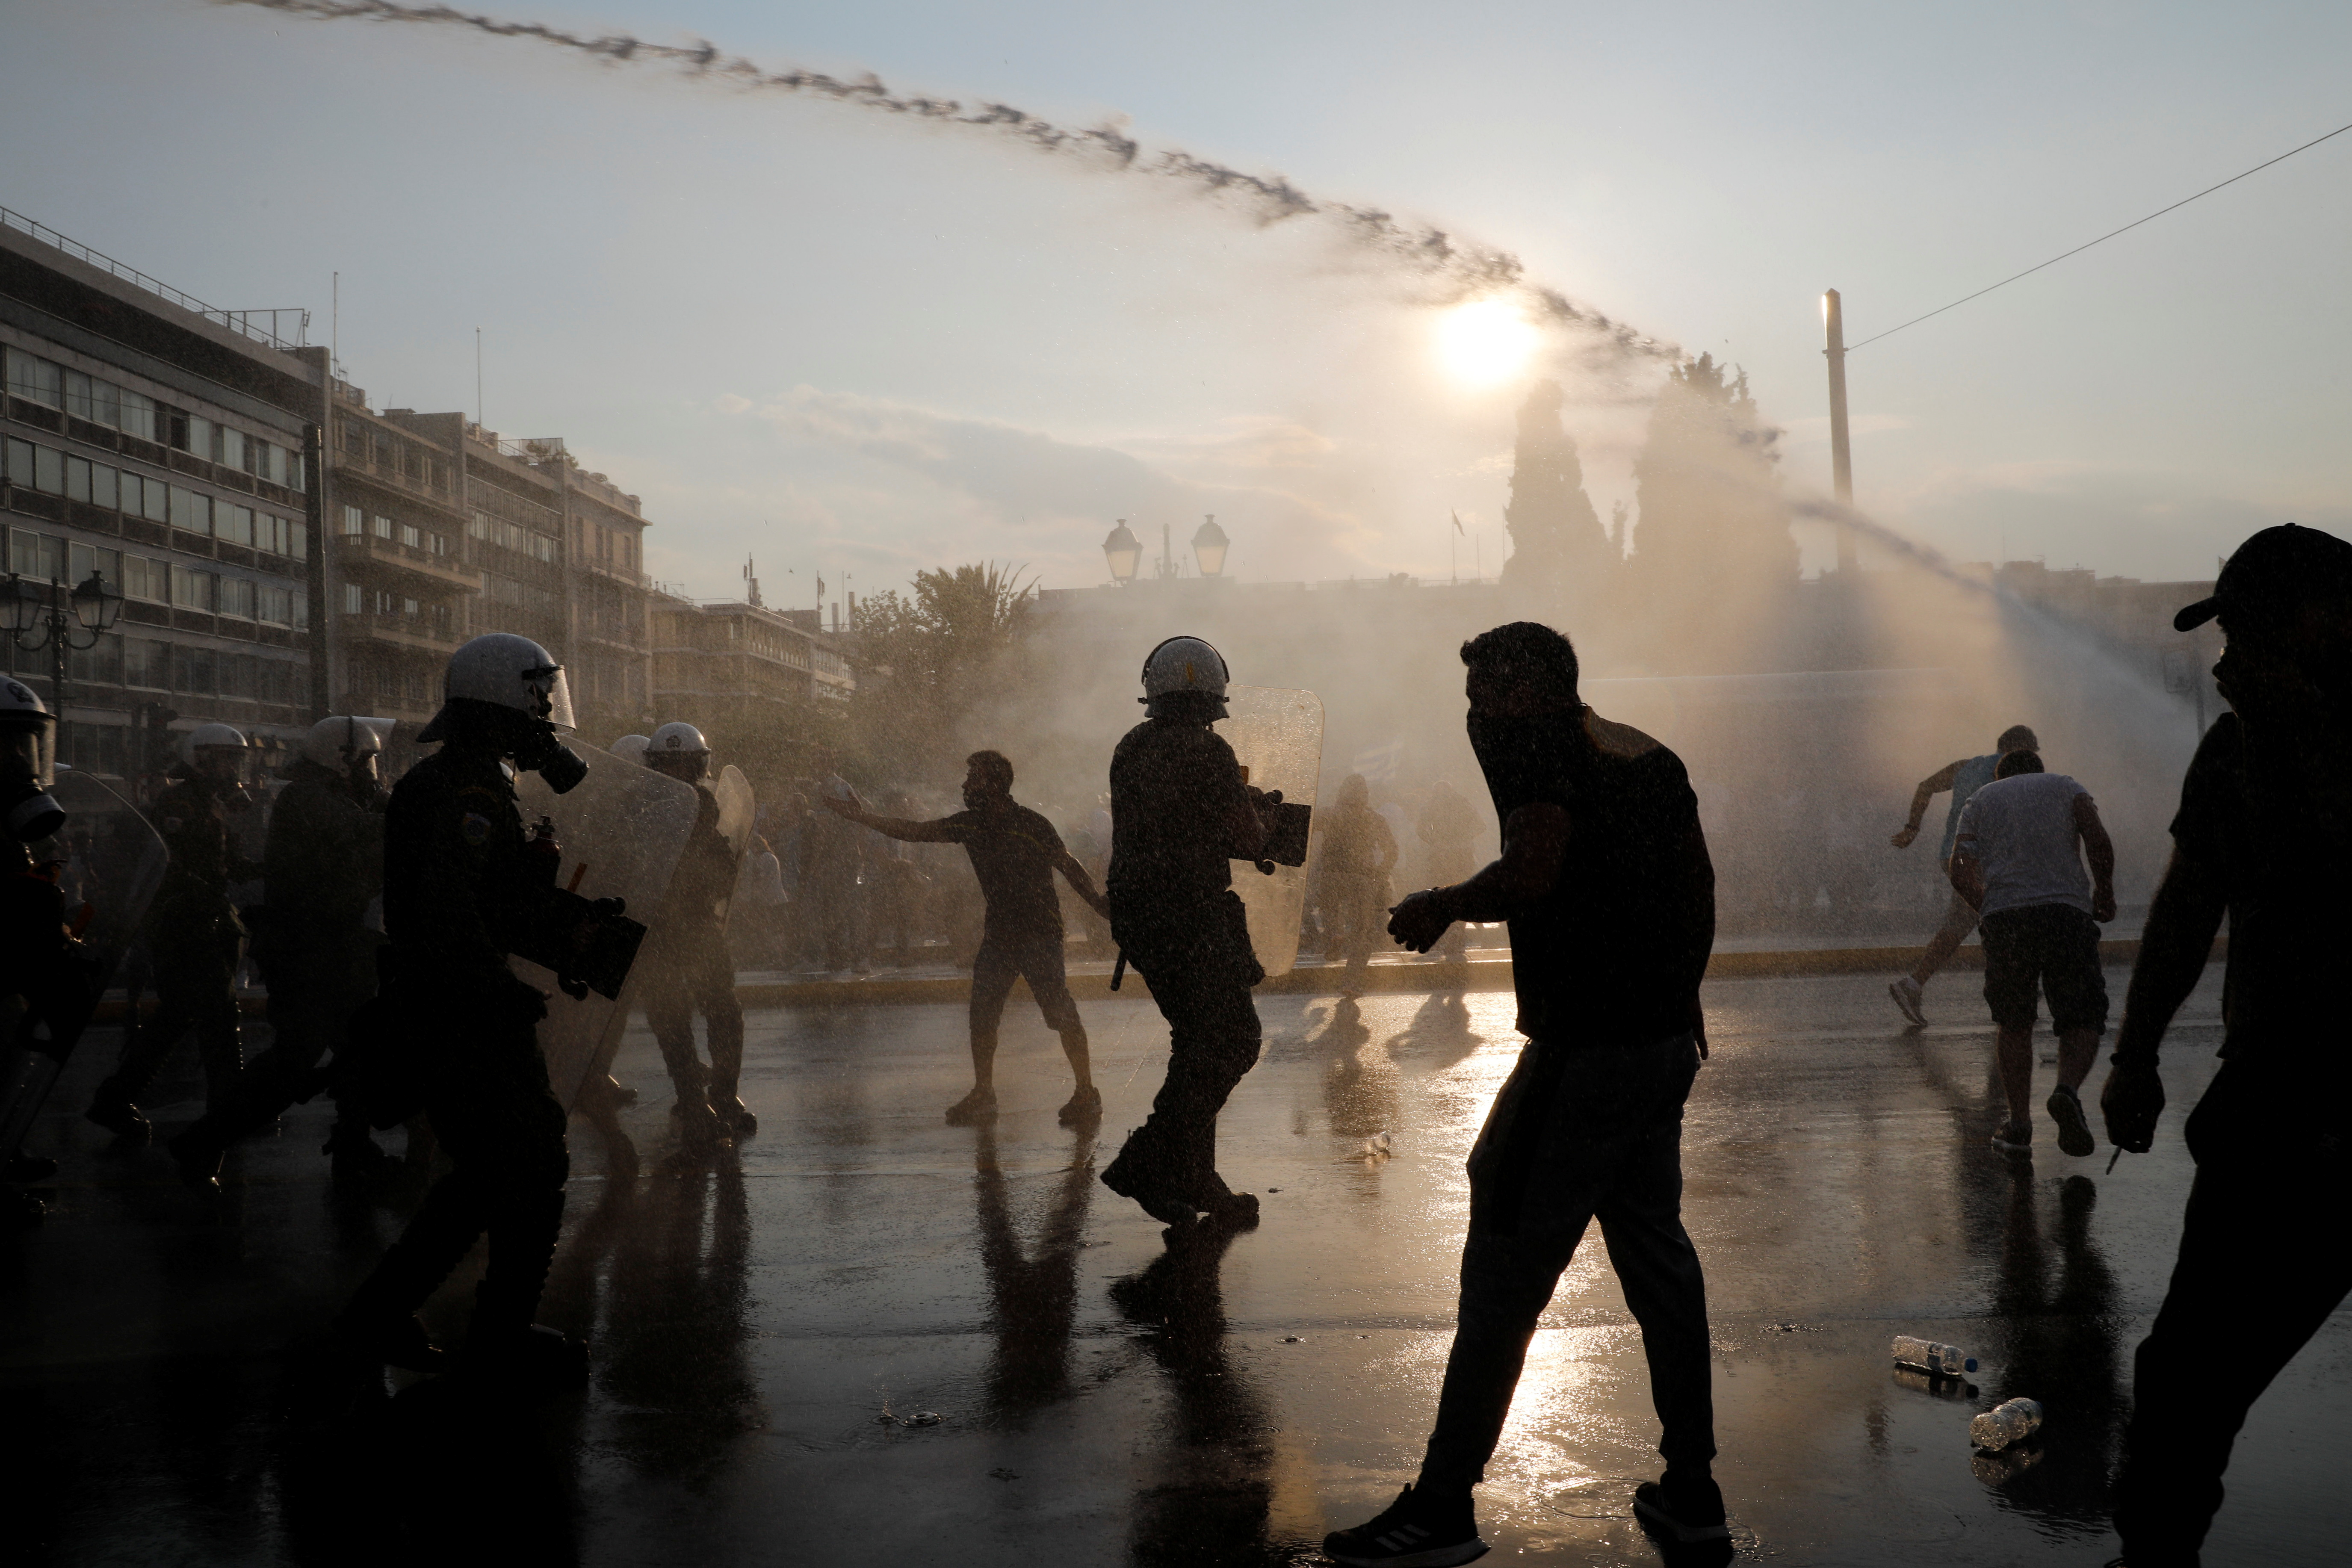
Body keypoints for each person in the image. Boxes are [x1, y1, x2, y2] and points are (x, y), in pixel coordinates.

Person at [1324, 621, 1722, 1566]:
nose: (1473, 712)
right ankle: (1692, 1488)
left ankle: (1441, 1507)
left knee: (1503, 1254)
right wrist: (1676, 1005)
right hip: (1660, 1040)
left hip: (1585, 1047)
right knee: (1658, 1261)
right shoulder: (1642, 752)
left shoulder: (1540, 747)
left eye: (1483, 692)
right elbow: (1698, 887)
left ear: (1525, 689)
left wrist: (1442, 902)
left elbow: (1536, 867)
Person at [2098, 525, 2352, 1568]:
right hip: (2275, 1110)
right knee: (2185, 1374)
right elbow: (2184, 905)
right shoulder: (2237, 751)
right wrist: (2133, 1054)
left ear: (2318, 623)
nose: (2224, 663)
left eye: (2245, 633)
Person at [331, 632, 602, 1388]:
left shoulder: (467, 782)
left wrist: (563, 925)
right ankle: (495, 1334)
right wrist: (500, 987)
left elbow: (486, 902)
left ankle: (387, 1316)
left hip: (451, 1005)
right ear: (499, 704)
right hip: (463, 1014)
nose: (548, 715)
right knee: (531, 1156)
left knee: (483, 1174)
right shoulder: (468, 794)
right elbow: (450, 914)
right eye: (537, 699)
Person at [1099, 635, 1281, 1229]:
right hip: (1191, 914)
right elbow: (1250, 840)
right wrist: (1264, 816)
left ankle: (1196, 1177)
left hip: (1141, 913)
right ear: (1213, 700)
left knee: (1197, 1040)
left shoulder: (1130, 746)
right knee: (1232, 1041)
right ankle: (1147, 1160)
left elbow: (1168, 818)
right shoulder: (1210, 752)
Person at [168, 716, 395, 1190]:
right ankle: (205, 1138)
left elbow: (376, 811)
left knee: (360, 1050)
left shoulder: (333, 794)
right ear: (342, 759)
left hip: (330, 946)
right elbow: (367, 825)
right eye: (368, 760)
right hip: (307, 949)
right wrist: (421, 810)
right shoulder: (309, 798)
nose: (374, 770)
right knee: (297, 1058)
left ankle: (352, 1145)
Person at [825, 750, 1109, 1126]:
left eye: (972, 778)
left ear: (993, 785)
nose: (964, 785)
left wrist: (1097, 903)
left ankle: (1086, 1093)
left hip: (1040, 933)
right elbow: (914, 830)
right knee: (982, 1014)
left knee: (1060, 1013)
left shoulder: (1031, 824)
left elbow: (1068, 864)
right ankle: (984, 1094)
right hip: (1000, 936)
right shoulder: (970, 825)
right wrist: (861, 818)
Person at [85, 724, 259, 1140]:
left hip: (204, 921)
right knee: (220, 1017)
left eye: (237, 758)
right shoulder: (180, 802)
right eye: (226, 758)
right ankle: (226, 1114)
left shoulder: (208, 802)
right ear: (201, 759)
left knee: (176, 1017)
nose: (233, 766)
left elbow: (229, 865)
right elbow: (175, 868)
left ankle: (114, 1100)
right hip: (187, 926)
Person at [1947, 748, 2117, 1154]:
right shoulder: (2066, 787)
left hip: (2008, 920)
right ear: (2038, 770)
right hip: (2066, 914)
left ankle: (2020, 1125)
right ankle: (2066, 1091)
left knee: (2015, 1021)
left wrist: (1987, 907)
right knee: (2082, 1016)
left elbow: (1959, 868)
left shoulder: (1980, 799)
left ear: (1999, 773)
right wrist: (2104, 890)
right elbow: (2097, 838)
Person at [639, 721, 752, 1146]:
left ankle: (710, 1099)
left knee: (695, 1015)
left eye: (681, 766)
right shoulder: (671, 807)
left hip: (674, 929)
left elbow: (722, 872)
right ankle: (708, 1100)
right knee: (697, 1015)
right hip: (673, 928)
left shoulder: (681, 807)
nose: (678, 775)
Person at [1887, 723, 2040, 1025]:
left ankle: (2013, 981)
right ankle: (1916, 983)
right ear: (2019, 747)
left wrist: (1912, 828)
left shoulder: (1966, 766)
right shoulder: (2009, 772)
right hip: (1980, 858)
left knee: (1976, 920)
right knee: (1996, 918)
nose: (2035, 760)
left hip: (1952, 855)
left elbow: (1925, 786)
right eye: (2031, 751)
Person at [1319, 774, 1397, 996]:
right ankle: (1350, 982)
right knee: (1363, 932)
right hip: (1363, 878)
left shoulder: (1329, 815)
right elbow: (1392, 850)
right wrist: (1381, 873)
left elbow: (1302, 832)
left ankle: (1335, 934)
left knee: (1330, 912)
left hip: (1332, 875)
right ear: (1366, 794)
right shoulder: (1375, 819)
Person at [1415, 779, 1483, 963]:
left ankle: (1443, 940)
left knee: (1439, 897)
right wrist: (1464, 838)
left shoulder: (1432, 805)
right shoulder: (1462, 803)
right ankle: (1456, 943)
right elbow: (1480, 826)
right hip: (1461, 856)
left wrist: (1436, 841)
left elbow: (1421, 829)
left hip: (1441, 857)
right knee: (1460, 897)